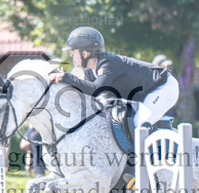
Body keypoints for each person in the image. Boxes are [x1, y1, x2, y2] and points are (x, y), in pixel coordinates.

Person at [49, 27, 179, 130]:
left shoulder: (107, 62)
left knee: (139, 124)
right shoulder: (89, 71)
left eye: (73, 51)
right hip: (145, 95)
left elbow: (97, 90)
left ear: (85, 53)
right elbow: (90, 95)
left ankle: (146, 156)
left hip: (163, 88)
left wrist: (66, 77)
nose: (71, 55)